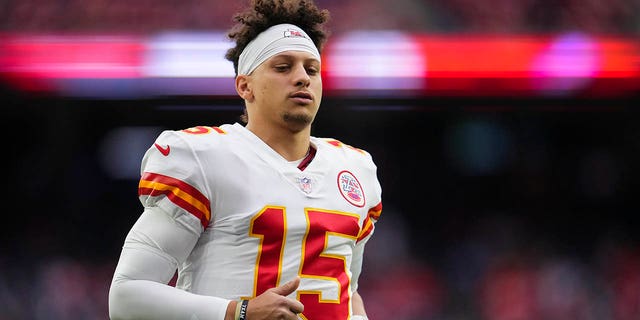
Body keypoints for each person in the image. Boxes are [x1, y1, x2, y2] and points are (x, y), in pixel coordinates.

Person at [108, 0, 383, 319]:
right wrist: (238, 312)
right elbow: (127, 296)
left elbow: (349, 292)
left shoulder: (355, 168)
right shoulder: (204, 157)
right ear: (245, 85)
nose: (302, 78)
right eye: (283, 67)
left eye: (311, 69)